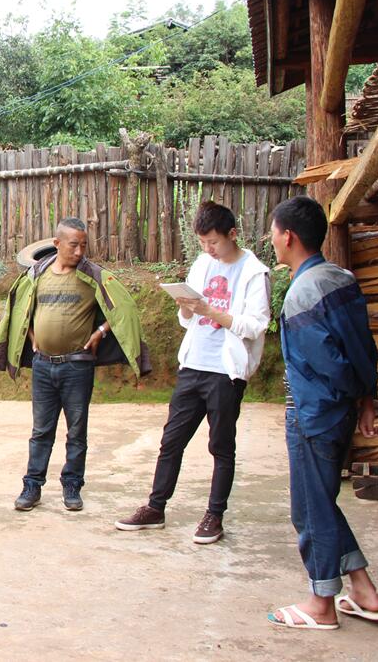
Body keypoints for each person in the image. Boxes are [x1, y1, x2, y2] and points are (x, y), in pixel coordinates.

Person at [265, 195, 378, 630]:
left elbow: (329, 363)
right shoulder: (341, 278)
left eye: (274, 233)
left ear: (289, 237)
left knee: (309, 510)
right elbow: (363, 345)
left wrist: (349, 395)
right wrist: (365, 399)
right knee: (321, 501)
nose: (271, 240)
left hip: (314, 414)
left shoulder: (301, 294)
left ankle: (321, 604)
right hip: (340, 412)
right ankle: (364, 589)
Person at [115, 201, 271, 544]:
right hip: (193, 364)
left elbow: (256, 325)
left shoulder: (254, 272)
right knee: (171, 441)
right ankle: (155, 508)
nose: (208, 249)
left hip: (226, 371)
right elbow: (188, 322)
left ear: (232, 234)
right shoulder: (202, 264)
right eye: (202, 243)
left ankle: (214, 515)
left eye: (213, 242)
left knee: (221, 446)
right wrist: (186, 308)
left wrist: (209, 310)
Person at [0, 217, 149, 513]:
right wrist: (31, 335)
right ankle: (32, 486)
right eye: (73, 245)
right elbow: (22, 309)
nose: (79, 252)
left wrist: (100, 332)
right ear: (57, 243)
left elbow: (123, 308)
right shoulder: (36, 274)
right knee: (41, 431)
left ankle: (72, 485)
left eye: (83, 246)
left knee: (77, 432)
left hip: (77, 367)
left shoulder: (93, 276)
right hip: (43, 365)